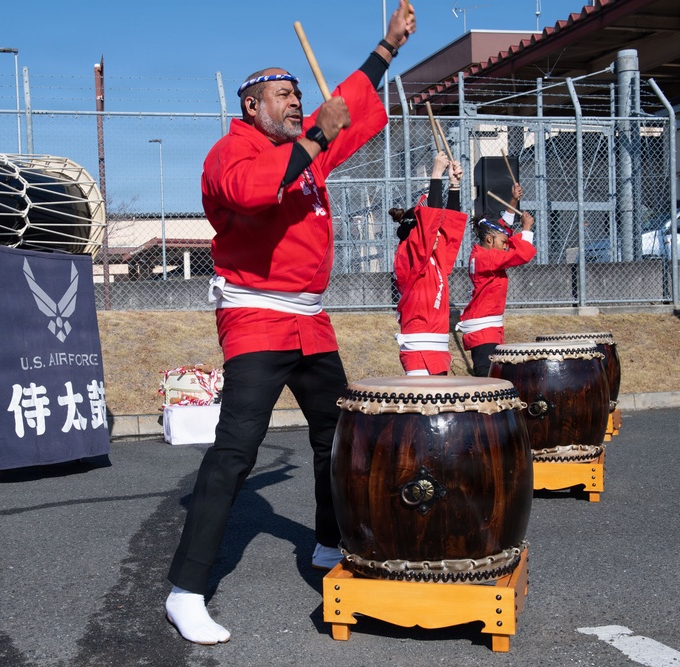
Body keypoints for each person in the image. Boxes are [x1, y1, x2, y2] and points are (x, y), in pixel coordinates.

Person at [164, 0, 416, 646]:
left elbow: (350, 106)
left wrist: (385, 48)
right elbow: (255, 190)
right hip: (255, 318)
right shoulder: (229, 153)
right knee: (236, 450)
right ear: (252, 106)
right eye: (282, 96)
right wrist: (314, 137)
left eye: (297, 96)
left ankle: (329, 544)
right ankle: (186, 589)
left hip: (312, 321)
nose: (294, 103)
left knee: (337, 432)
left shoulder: (310, 154)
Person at [392, 150, 466, 375]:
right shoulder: (407, 256)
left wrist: (453, 186)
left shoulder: (435, 257)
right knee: (423, 408)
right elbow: (430, 223)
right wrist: (435, 174)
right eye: (430, 230)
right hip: (419, 348)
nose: (437, 234)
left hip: (438, 347)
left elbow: (449, 225)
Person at [456, 183, 536, 376]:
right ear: (490, 240)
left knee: (495, 378)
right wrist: (526, 229)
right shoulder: (487, 258)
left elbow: (502, 228)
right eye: (503, 243)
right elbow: (522, 255)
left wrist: (514, 200)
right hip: (484, 332)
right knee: (488, 380)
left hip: (488, 328)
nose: (505, 247)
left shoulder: (482, 253)